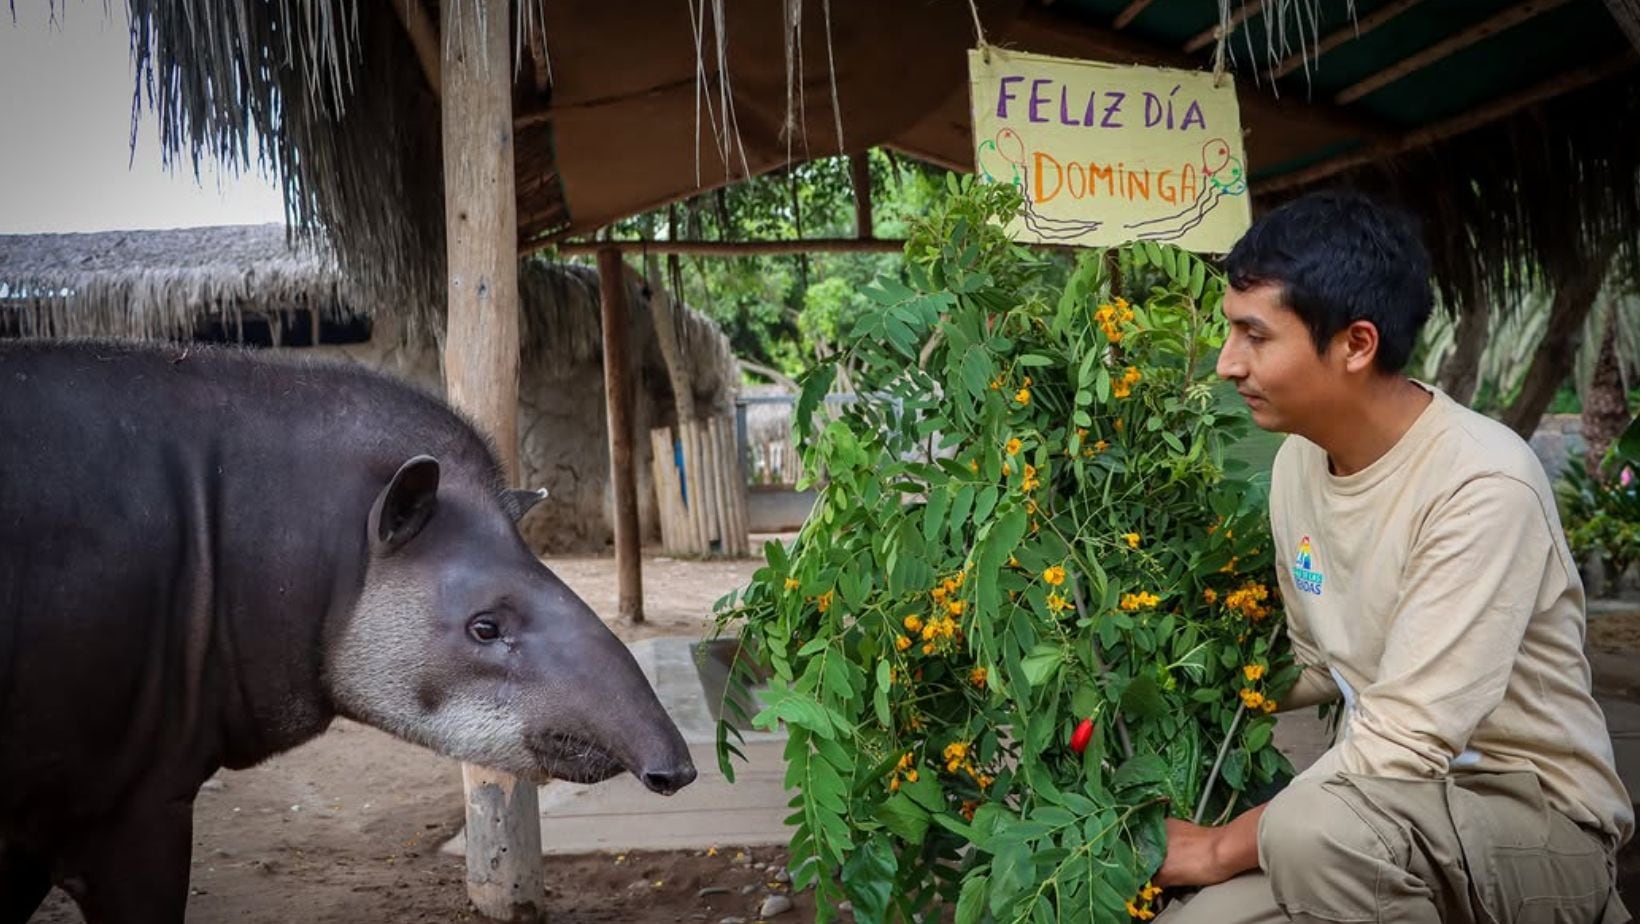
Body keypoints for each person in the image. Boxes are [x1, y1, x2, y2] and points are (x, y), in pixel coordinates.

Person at [1155, 189, 1634, 923]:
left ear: (1355, 343)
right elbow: (1318, 661)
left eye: (1255, 336)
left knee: (1308, 829)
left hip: (1535, 820)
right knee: (1196, 920)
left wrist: (1216, 849)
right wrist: (1176, 671)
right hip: (1391, 822)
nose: (1227, 364)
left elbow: (1404, 741)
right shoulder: (1296, 467)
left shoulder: (1479, 481)